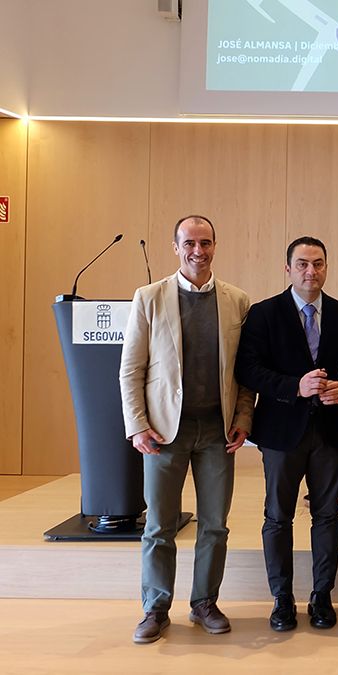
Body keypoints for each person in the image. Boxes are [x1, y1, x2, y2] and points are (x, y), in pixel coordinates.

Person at [118, 214, 254, 644]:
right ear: (175, 247)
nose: (199, 250)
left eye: (206, 242)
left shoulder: (238, 301)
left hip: (217, 430)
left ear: (216, 246)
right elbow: (131, 369)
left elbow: (246, 373)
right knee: (159, 525)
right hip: (163, 434)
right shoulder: (149, 297)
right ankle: (155, 609)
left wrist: (244, 419)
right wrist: (137, 425)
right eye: (190, 243)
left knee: (215, 524)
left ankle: (204, 603)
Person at [234, 236, 338, 632]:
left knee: (327, 515)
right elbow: (248, 370)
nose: (311, 271)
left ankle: (322, 596)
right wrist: (294, 387)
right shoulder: (264, 314)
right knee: (278, 517)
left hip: (328, 431)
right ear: (287, 269)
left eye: (318, 264)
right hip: (280, 432)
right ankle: (282, 598)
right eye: (303, 264)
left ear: (326, 267)